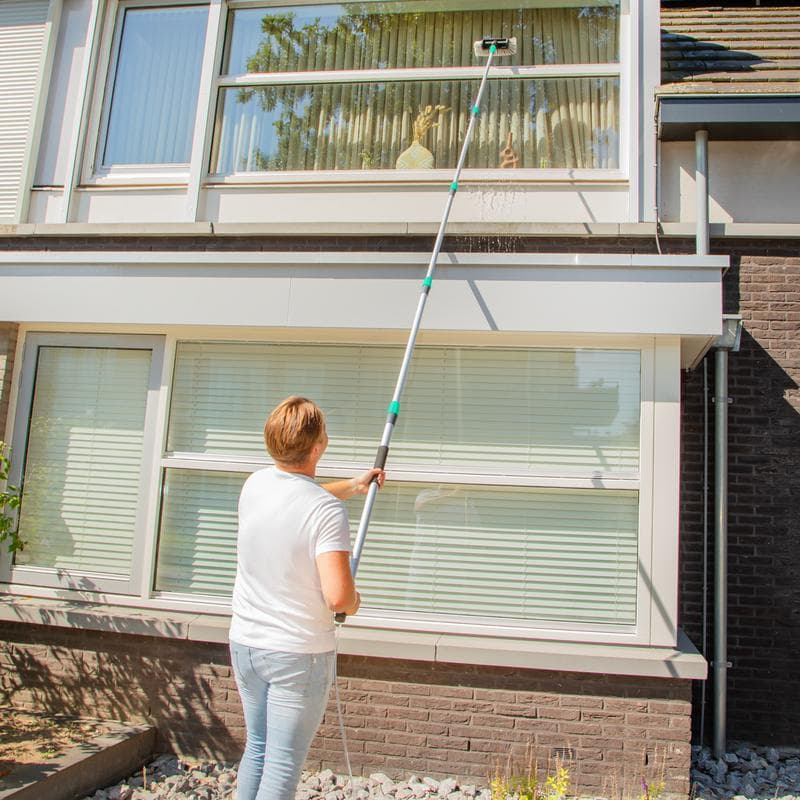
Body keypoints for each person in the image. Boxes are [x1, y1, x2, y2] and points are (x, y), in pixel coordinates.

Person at [229, 396, 385, 800]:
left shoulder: (257, 484)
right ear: (317, 447)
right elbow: (337, 597)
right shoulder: (324, 512)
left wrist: (353, 485)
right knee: (281, 764)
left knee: (258, 750)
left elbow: (301, 499)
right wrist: (355, 602)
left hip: (246, 645)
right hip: (296, 655)